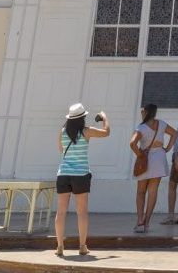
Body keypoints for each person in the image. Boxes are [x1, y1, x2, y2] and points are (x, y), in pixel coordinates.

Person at [54, 103, 110, 257]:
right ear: (82, 118)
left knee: (61, 212)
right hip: (81, 175)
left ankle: (59, 246)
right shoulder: (86, 131)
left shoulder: (62, 132)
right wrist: (104, 117)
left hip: (63, 174)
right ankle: (82, 246)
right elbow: (107, 132)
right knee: (82, 213)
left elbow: (61, 150)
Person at [129, 103, 176, 232]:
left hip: (146, 159)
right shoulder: (161, 124)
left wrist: (140, 155)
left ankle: (139, 222)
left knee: (140, 192)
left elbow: (132, 143)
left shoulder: (142, 128)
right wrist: (167, 148)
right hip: (159, 158)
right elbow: (174, 134)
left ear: (145, 112)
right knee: (153, 192)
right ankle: (147, 222)